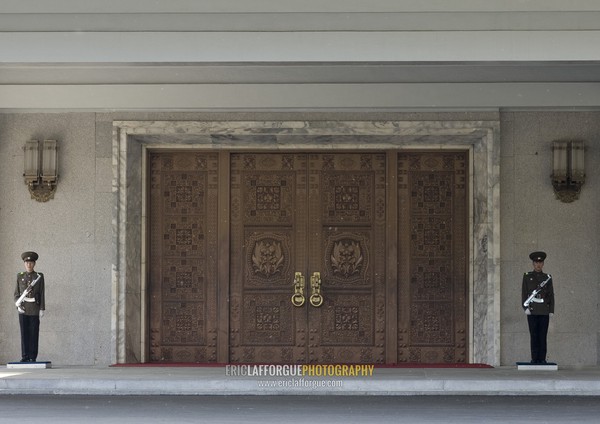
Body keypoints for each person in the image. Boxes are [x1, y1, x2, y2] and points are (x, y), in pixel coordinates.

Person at [521, 251, 554, 364]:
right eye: (536, 262)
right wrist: (525, 307)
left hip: (544, 311)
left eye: (540, 262)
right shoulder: (527, 276)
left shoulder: (547, 278)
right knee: (534, 336)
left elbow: (551, 295)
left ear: (543, 264)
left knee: (542, 336)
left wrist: (551, 310)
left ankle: (542, 359)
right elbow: (524, 293)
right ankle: (535, 359)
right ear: (533, 264)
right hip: (532, 310)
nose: (538, 265)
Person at [14, 251, 45, 362]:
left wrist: (42, 308)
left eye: (31, 262)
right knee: (24, 334)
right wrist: (17, 305)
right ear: (24, 264)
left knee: (34, 333)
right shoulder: (19, 276)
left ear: (34, 263)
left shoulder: (39, 276)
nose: (29, 265)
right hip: (23, 309)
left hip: (34, 309)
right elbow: (16, 294)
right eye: (27, 262)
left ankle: (32, 357)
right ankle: (25, 356)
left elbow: (42, 293)